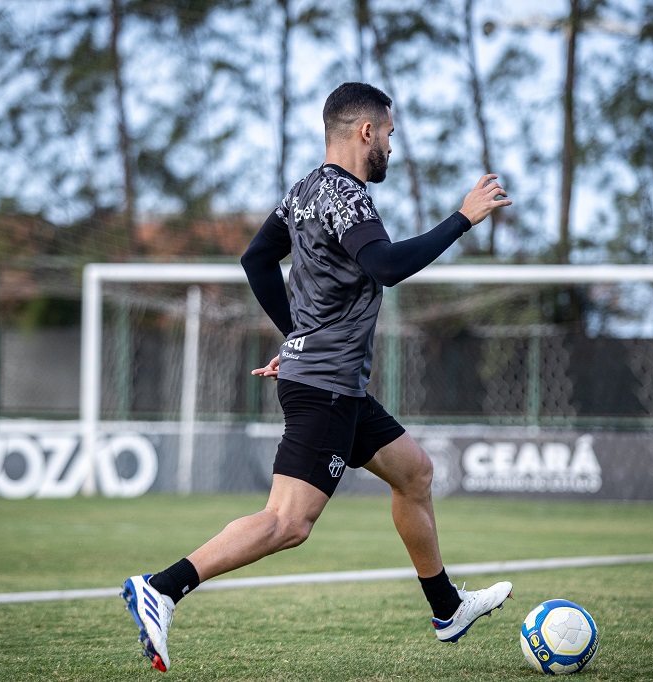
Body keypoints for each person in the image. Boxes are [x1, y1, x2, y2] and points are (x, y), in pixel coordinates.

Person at [122, 82, 514, 673]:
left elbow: (256, 259)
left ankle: (446, 608)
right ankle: (163, 587)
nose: (390, 145)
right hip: (326, 384)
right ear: (365, 132)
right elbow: (385, 266)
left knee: (414, 473)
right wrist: (462, 217)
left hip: (334, 381)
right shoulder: (346, 195)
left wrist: (295, 336)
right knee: (288, 522)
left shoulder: (305, 190)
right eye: (388, 134)